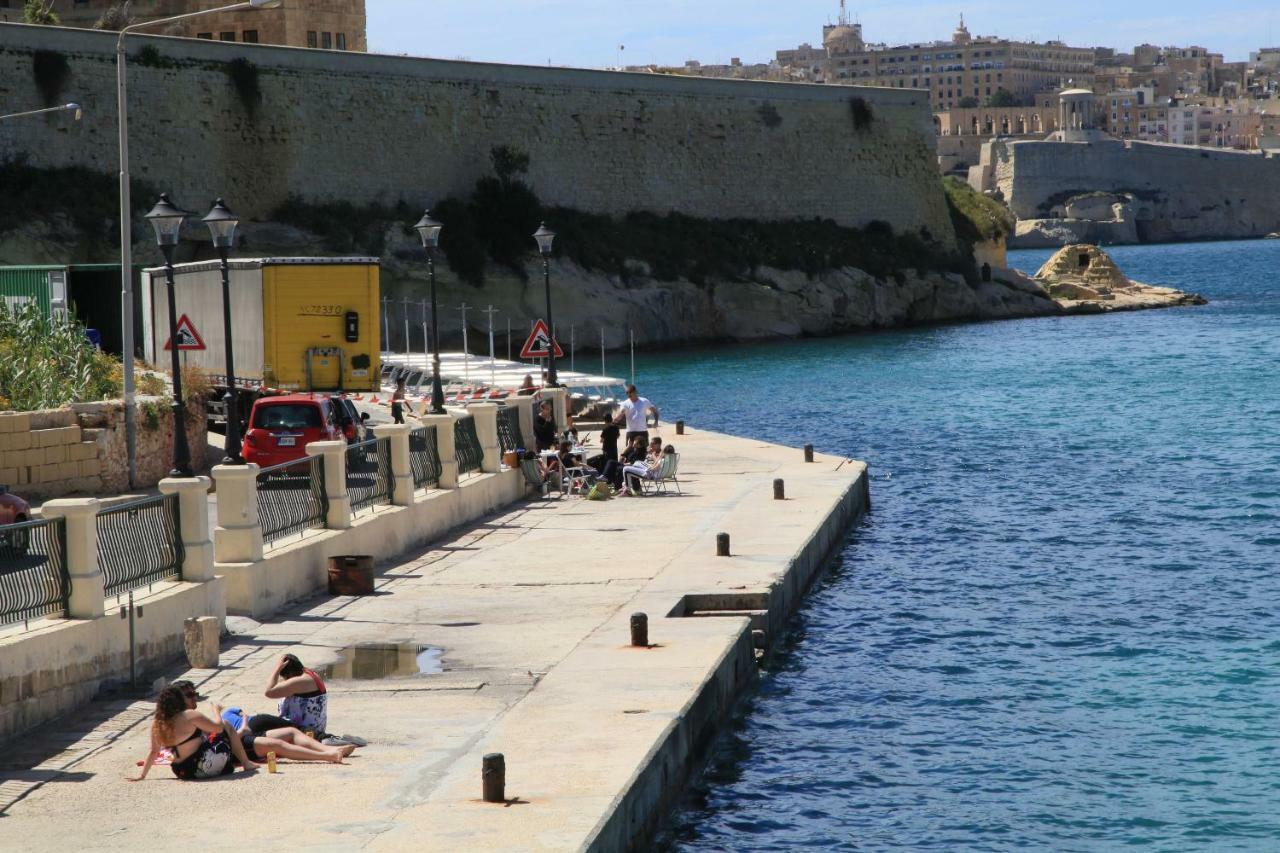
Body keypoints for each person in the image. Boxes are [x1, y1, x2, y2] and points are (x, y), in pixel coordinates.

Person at [130, 685, 257, 781]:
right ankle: (246, 763)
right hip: (202, 766)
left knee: (206, 733)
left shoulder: (157, 724)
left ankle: (243, 742)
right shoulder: (189, 715)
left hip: (181, 771)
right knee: (226, 724)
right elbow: (218, 727)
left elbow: (154, 751)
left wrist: (142, 775)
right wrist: (216, 710)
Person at [265, 653, 329, 735]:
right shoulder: (309, 674)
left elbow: (269, 692)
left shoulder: (300, 681)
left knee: (261, 724)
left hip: (306, 733)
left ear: (289, 674)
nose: (285, 680)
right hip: (312, 729)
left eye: (284, 677)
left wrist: (277, 669)